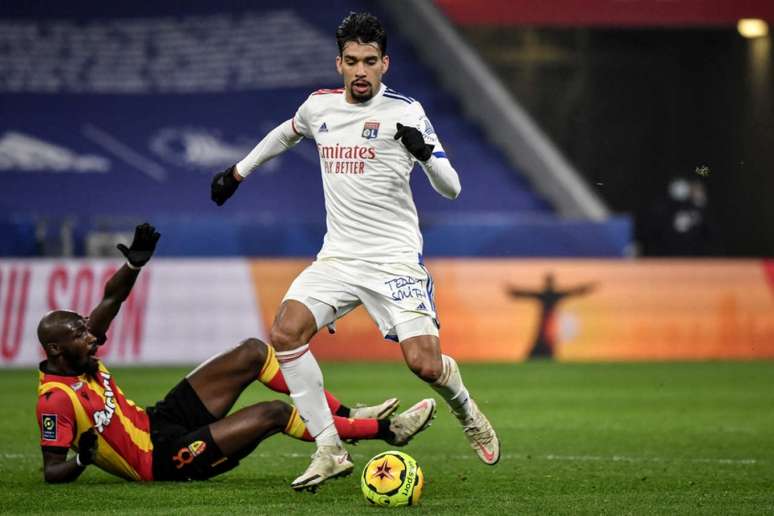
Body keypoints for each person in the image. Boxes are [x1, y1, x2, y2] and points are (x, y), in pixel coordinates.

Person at [210, 12, 500, 491]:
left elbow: (452, 188)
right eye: (351, 61)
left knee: (425, 365)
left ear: (385, 64)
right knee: (285, 332)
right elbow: (288, 131)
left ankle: (466, 410)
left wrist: (425, 155)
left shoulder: (407, 112)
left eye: (370, 61)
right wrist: (238, 172)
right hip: (339, 258)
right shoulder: (319, 107)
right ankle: (329, 449)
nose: (361, 70)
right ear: (339, 63)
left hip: (394, 261)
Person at [36, 223, 436, 483]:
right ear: (56, 349)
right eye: (80, 333)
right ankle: (388, 431)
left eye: (87, 329)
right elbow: (53, 469)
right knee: (274, 414)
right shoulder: (56, 399)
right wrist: (83, 460)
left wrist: (134, 264)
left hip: (156, 420)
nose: (91, 336)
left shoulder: (81, 356)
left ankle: (348, 414)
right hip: (158, 460)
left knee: (252, 351)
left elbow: (111, 298)